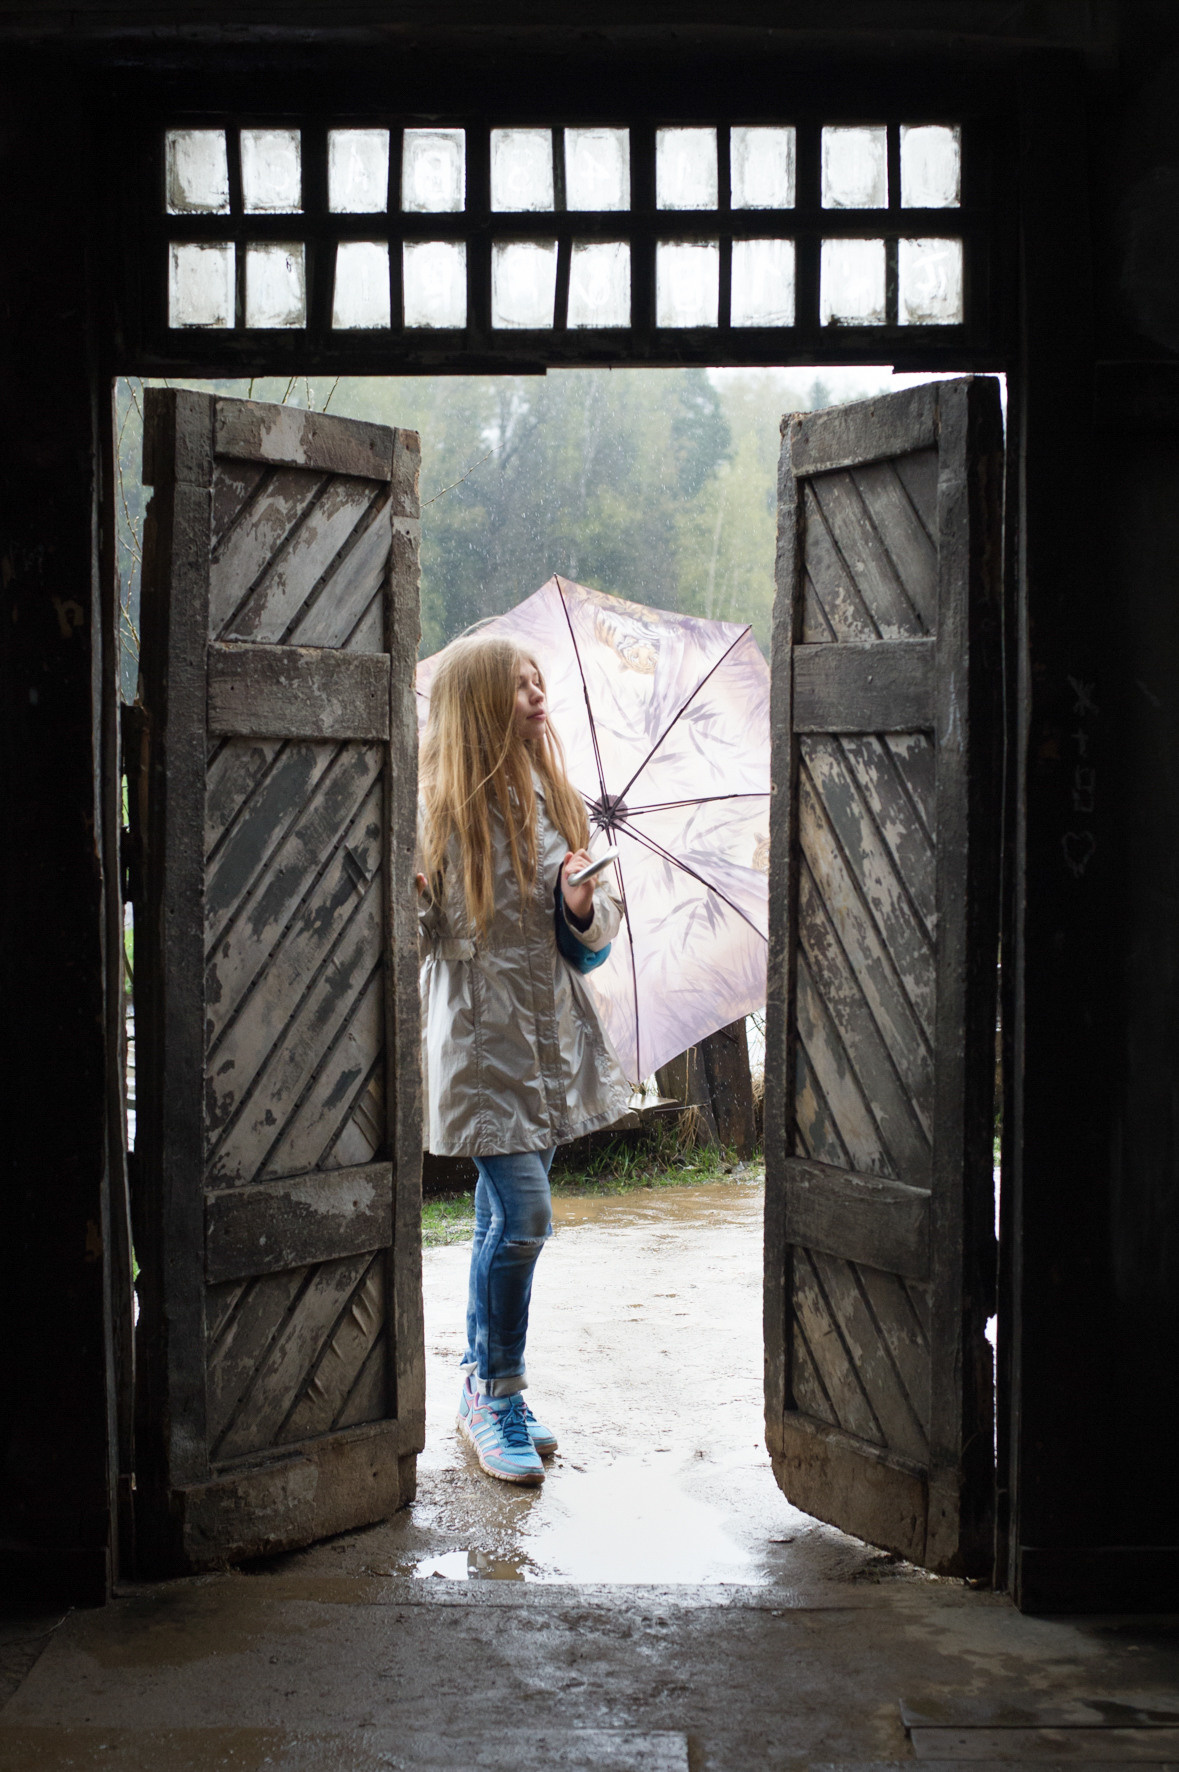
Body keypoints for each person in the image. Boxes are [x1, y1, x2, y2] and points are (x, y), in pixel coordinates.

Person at [416, 634, 631, 1485]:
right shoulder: (437, 811)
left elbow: (592, 945)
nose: (539, 694)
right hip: (481, 1045)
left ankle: (484, 1383)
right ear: (476, 702)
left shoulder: (557, 797)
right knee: (527, 1218)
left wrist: (580, 904)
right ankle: (496, 1393)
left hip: (551, 1037)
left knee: (498, 1220)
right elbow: (420, 943)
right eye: (519, 685)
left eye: (540, 680)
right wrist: (422, 899)